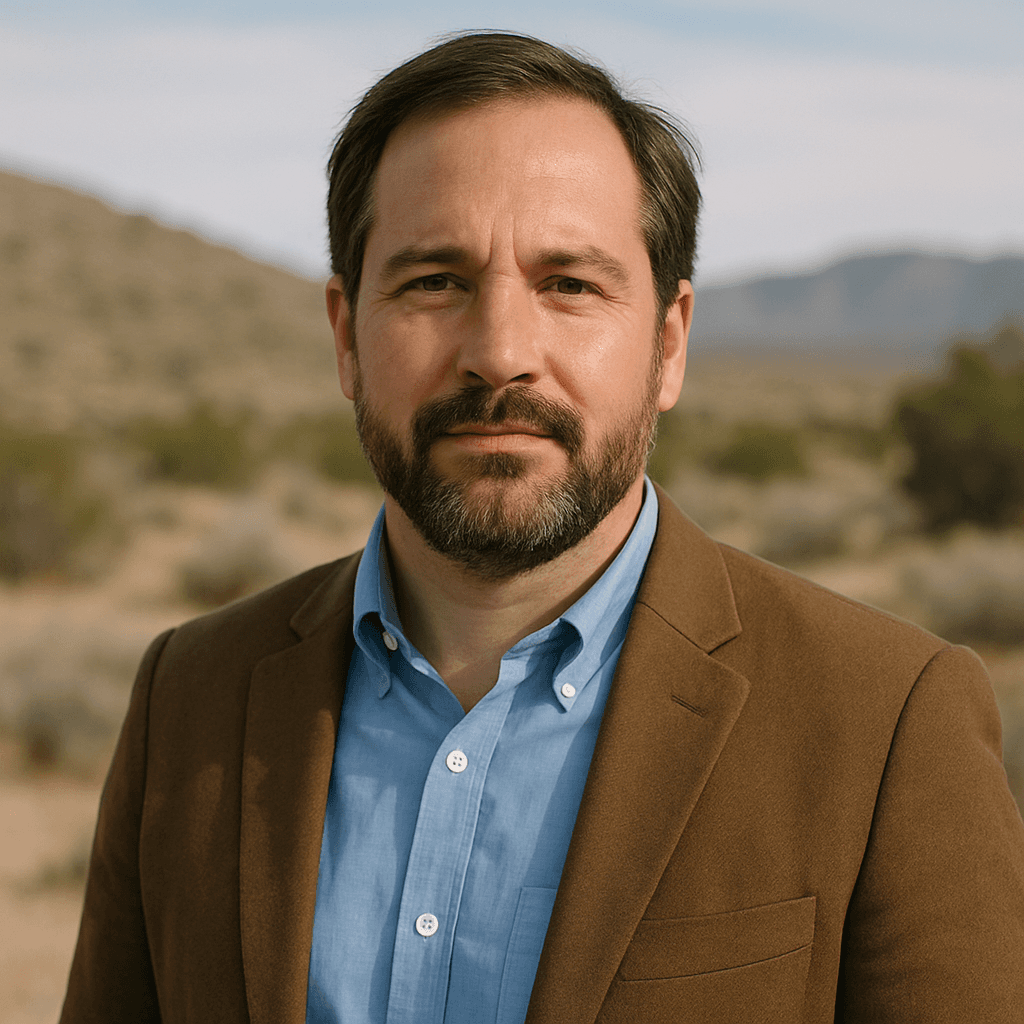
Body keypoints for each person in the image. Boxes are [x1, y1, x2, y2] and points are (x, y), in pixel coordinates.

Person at [61, 32, 1024, 1024]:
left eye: (568, 284)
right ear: (348, 337)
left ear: (667, 343)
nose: (500, 353)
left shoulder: (884, 722)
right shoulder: (191, 696)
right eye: (434, 280)